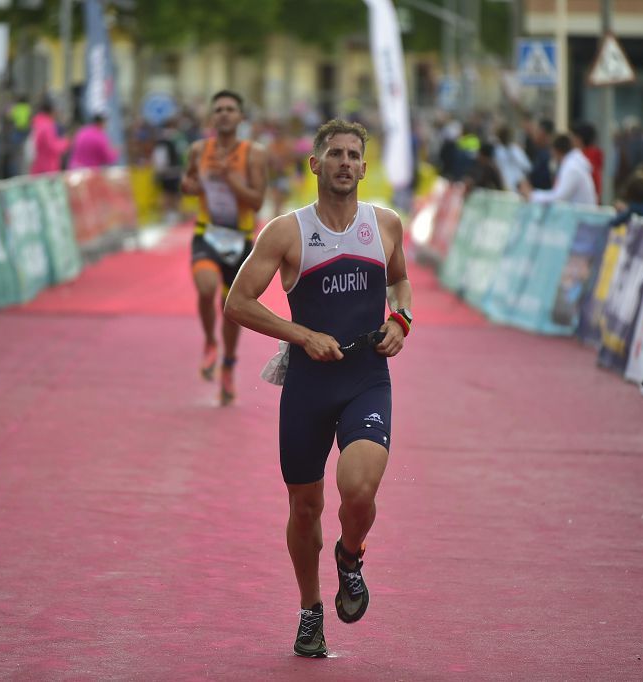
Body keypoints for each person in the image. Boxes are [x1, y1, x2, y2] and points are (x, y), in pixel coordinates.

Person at [224, 119, 413, 657]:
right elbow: (237, 302)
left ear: (365, 166)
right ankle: (310, 610)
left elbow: (399, 282)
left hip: (365, 379)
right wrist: (301, 335)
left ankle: (350, 555)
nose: (346, 163)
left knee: (358, 490)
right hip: (308, 384)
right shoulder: (285, 232)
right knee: (304, 508)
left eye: (355, 155)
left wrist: (401, 321)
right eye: (335, 154)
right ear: (315, 164)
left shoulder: (385, 225)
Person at [180, 90, 268, 405]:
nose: (225, 114)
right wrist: (191, 186)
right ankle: (208, 342)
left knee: (231, 310)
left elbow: (257, 202)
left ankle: (228, 362)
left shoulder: (254, 154)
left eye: (231, 109)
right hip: (208, 233)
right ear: (211, 117)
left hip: (241, 238)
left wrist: (231, 180)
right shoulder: (198, 150)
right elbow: (187, 183)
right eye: (219, 109)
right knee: (205, 288)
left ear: (241, 117)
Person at [520, 132, 597, 205]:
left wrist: (532, 195)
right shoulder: (572, 164)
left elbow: (559, 197)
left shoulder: (572, 168)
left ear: (555, 150)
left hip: (581, 217)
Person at [29, 98, 70, 175]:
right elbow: (52, 147)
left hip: (37, 166)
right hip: (47, 168)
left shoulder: (37, 123)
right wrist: (65, 143)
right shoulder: (47, 126)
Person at [493, 124, 531, 193]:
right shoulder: (498, 151)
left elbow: (527, 166)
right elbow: (497, 169)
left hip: (518, 187)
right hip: (505, 187)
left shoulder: (515, 150)